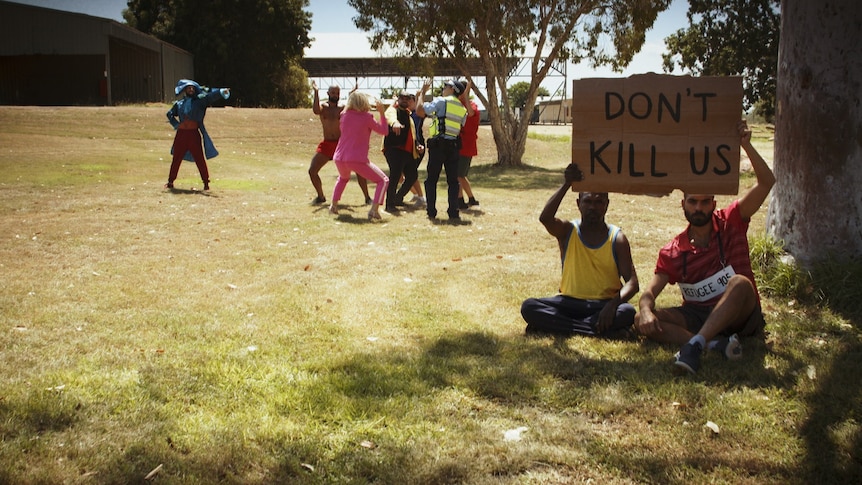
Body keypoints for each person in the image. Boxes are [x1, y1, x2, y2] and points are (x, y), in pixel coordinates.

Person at [635, 120, 776, 375]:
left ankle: (695, 346)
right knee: (642, 320)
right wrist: (645, 309)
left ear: (713, 203)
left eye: (704, 202)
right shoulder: (673, 250)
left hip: (741, 316)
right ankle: (712, 343)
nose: (698, 208)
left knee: (741, 283)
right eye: (692, 202)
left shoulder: (731, 220)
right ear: (683, 205)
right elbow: (649, 293)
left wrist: (746, 145)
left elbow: (767, 182)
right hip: (698, 315)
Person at [521, 163, 639, 337]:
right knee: (529, 307)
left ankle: (555, 326)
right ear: (578, 204)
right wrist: (566, 184)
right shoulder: (568, 231)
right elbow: (545, 218)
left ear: (606, 204)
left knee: (627, 312)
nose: (593, 207)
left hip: (603, 304)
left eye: (598, 202)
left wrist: (612, 305)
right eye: (587, 201)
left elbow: (633, 283)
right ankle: (598, 330)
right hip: (569, 302)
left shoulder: (617, 238)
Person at [416, 79, 473, 220]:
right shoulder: (461, 108)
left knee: (431, 180)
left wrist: (422, 93)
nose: (443, 88)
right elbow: (463, 121)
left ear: (452, 89)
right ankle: (453, 212)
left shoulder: (442, 101)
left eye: (445, 86)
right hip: (453, 147)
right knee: (453, 182)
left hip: (438, 147)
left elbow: (421, 110)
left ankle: (431, 211)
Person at [329, 92, 390, 220]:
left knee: (343, 178)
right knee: (383, 181)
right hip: (356, 158)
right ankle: (374, 210)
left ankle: (333, 206)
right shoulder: (367, 117)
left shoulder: (344, 115)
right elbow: (384, 131)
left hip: (339, 157)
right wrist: (382, 113)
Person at [309, 81, 372, 205]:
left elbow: (355, 108)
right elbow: (316, 110)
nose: (335, 95)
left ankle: (367, 198)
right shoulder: (323, 107)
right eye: (333, 92)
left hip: (343, 144)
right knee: (312, 171)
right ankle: (321, 197)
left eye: (337, 93)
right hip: (327, 144)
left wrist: (352, 94)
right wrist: (316, 91)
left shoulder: (343, 108)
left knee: (359, 169)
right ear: (328, 93)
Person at [165, 79, 230, 191]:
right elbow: (170, 114)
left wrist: (221, 92)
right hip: (181, 135)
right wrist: (176, 124)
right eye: (188, 88)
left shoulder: (200, 102)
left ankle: (206, 182)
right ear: (185, 90)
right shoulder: (179, 104)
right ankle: (170, 181)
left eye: (192, 88)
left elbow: (210, 96)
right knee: (176, 158)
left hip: (193, 134)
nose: (190, 90)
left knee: (199, 158)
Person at [382, 90, 421, 213]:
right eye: (402, 98)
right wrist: (394, 123)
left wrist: (418, 146)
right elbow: (389, 115)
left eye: (407, 98)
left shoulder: (408, 115)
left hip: (407, 151)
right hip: (395, 149)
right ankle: (389, 205)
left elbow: (412, 134)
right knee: (395, 176)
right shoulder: (394, 110)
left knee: (412, 176)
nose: (405, 100)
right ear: (398, 99)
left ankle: (397, 199)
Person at [457, 96, 480, 209]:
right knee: (461, 175)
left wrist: (465, 96)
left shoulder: (471, 104)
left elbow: (471, 113)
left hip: (465, 146)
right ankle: (471, 199)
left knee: (458, 175)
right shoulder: (455, 103)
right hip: (460, 145)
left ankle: (460, 201)